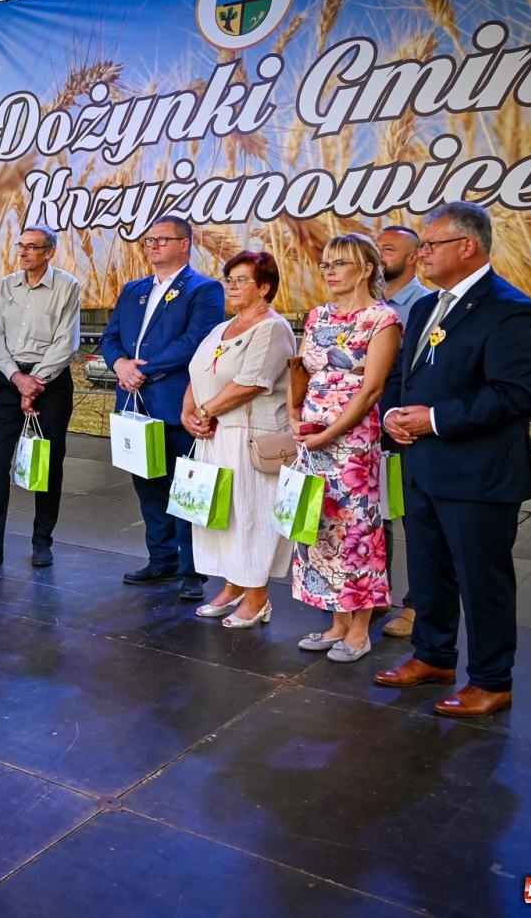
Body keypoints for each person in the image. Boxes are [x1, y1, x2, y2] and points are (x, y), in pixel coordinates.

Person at [377, 201, 531, 717]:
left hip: (478, 473)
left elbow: (515, 394)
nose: (421, 254)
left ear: (467, 246)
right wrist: (393, 415)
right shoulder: (427, 307)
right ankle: (433, 655)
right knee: (429, 571)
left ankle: (492, 680)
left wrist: (433, 419)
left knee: (481, 581)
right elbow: (404, 377)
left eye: (431, 245)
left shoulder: (510, 309)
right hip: (424, 466)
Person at [99, 216, 226, 600]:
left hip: (177, 404)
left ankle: (192, 571)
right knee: (149, 487)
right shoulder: (133, 289)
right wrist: (120, 365)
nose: (152, 245)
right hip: (135, 406)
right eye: (149, 240)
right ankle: (161, 560)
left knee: (185, 489)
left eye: (162, 239)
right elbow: (110, 337)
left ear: (184, 244)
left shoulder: (204, 289)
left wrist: (143, 370)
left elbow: (196, 341)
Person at [290, 234, 401, 664]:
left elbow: (371, 389)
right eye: (326, 264)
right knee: (318, 526)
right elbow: (301, 371)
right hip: (311, 436)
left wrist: (331, 432)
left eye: (339, 263)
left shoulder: (382, 319)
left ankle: (359, 629)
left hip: (352, 443)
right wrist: (295, 415)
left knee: (357, 531)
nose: (330, 271)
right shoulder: (318, 316)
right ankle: (336, 621)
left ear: (367, 269)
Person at [0, 224, 81, 569]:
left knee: (48, 463)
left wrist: (35, 381)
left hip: (50, 383)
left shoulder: (67, 286)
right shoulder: (7, 284)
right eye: (20, 245)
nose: (23, 252)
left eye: (32, 247)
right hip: (12, 380)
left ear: (49, 252)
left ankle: (42, 541)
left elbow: (66, 342)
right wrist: (16, 378)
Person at [182, 251, 296, 627]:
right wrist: (188, 412)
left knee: (252, 516)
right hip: (214, 435)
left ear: (264, 287)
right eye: (229, 280)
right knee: (223, 516)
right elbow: (198, 373)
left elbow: (250, 383)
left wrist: (205, 411)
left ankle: (258, 596)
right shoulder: (221, 328)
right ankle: (233, 585)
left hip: (251, 438)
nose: (232, 286)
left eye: (241, 280)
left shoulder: (272, 328)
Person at [375, 224, 429, 639]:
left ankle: (418, 606)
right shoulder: (366, 303)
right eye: (376, 248)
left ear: (414, 257)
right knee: (374, 515)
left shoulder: (425, 306)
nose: (379, 256)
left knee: (415, 519)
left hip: (406, 428)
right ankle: (374, 594)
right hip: (364, 425)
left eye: (389, 249)